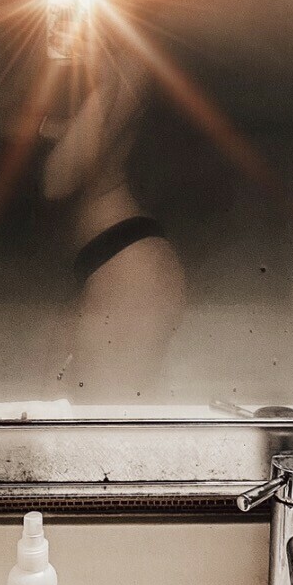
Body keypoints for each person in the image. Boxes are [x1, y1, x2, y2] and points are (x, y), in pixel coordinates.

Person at [41, 43, 186, 401]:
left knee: (106, 411)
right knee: (82, 403)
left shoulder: (127, 63)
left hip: (127, 262)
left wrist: (104, 83)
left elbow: (58, 179)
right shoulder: (85, 65)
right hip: (113, 259)